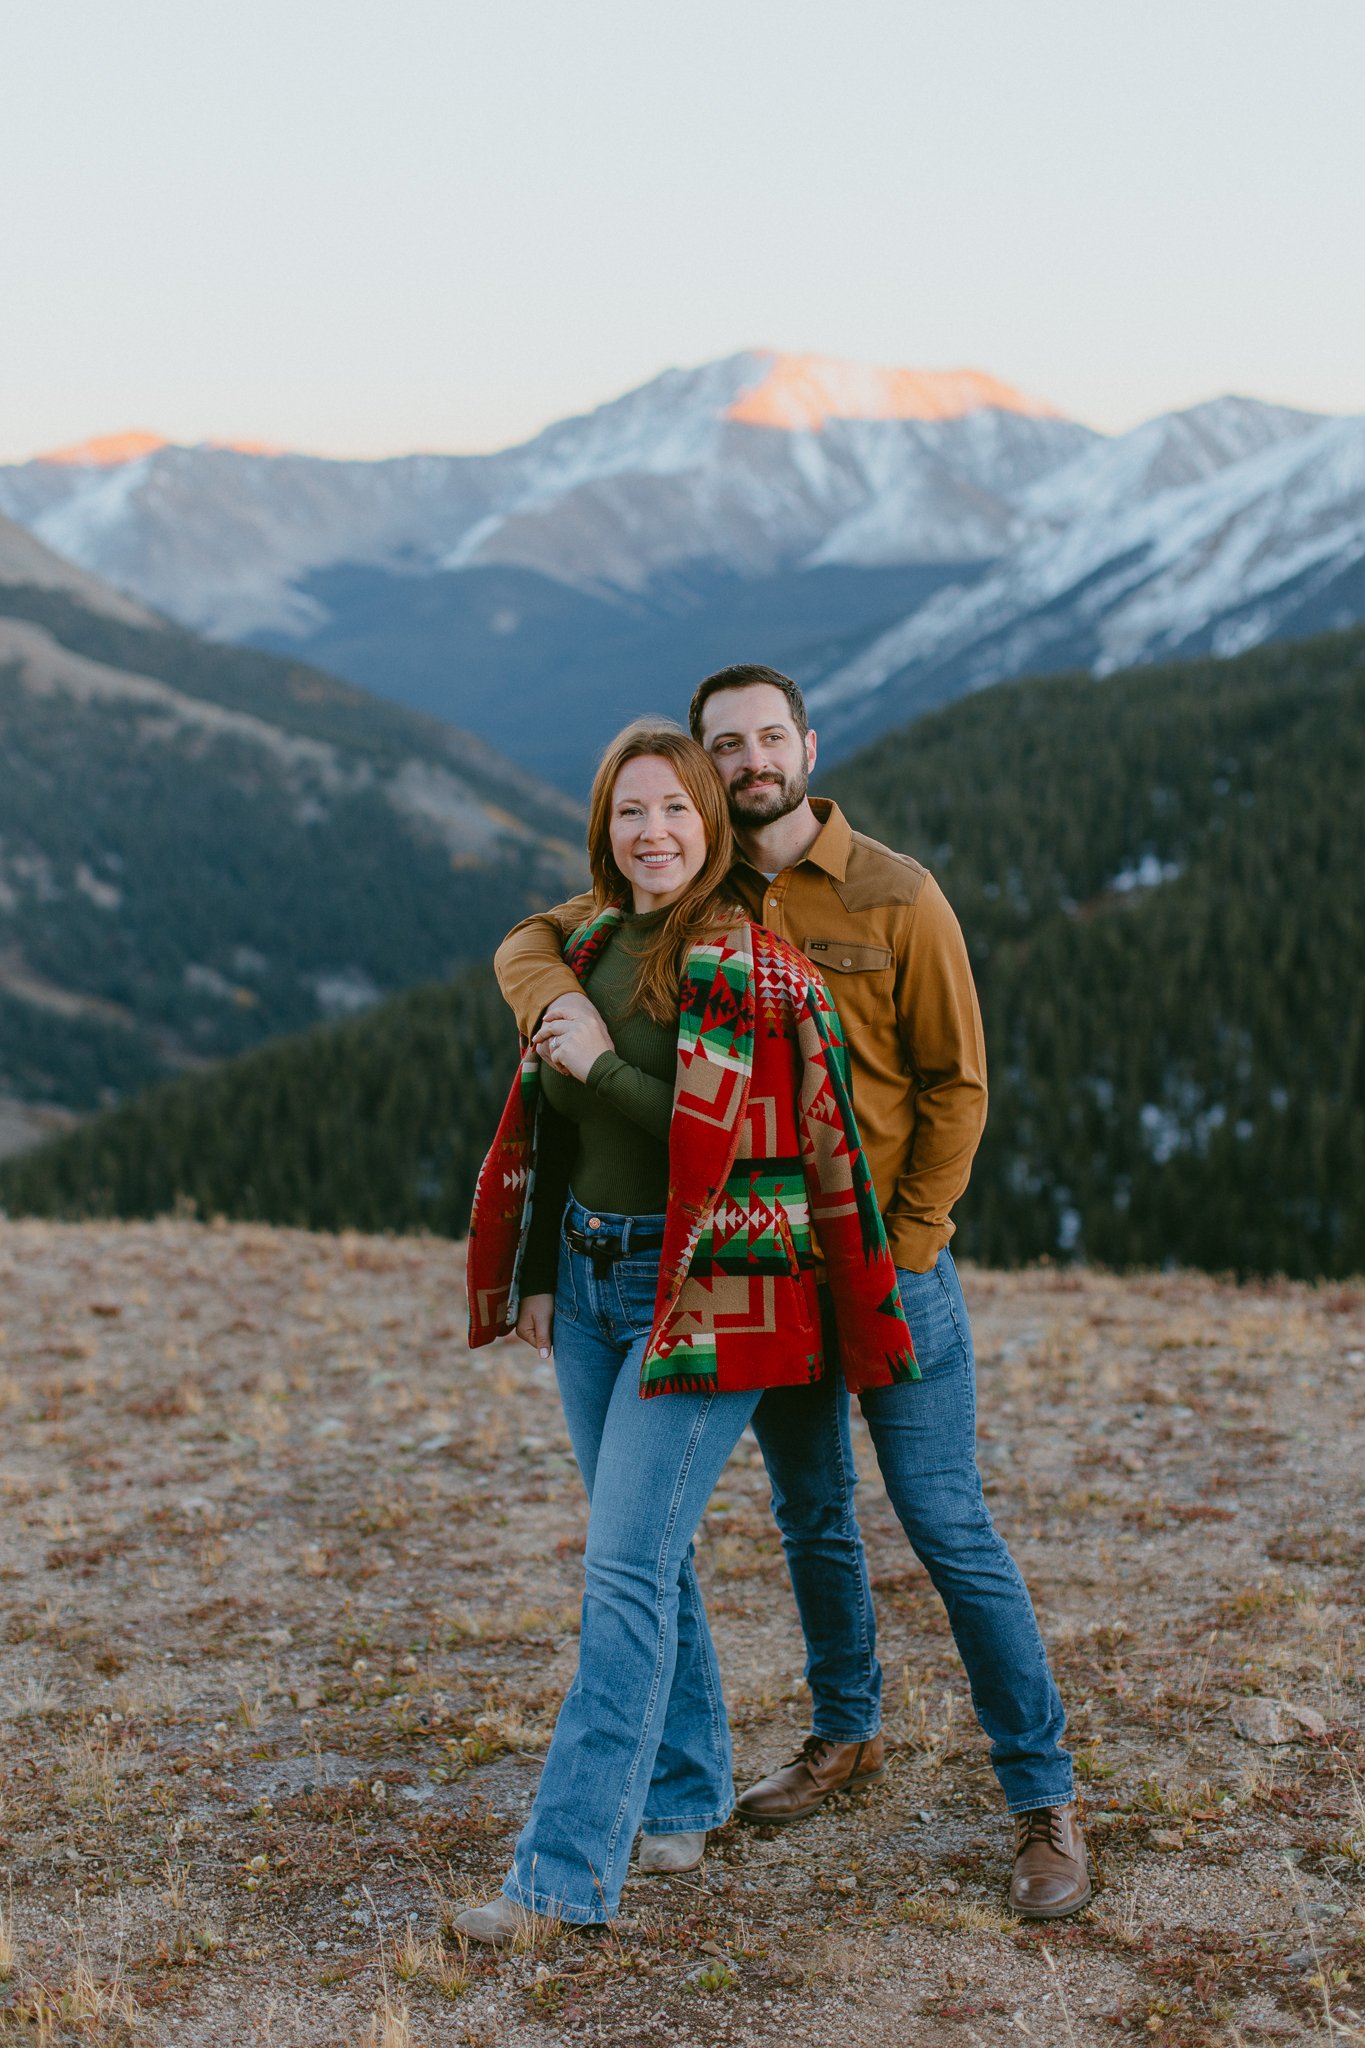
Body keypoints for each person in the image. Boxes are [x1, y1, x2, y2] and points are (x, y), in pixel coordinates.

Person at [493, 666, 1090, 1920]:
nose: (753, 759)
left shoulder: (896, 894)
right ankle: (844, 1732)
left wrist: (910, 1244)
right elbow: (546, 936)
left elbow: (956, 1084)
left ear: (806, 745)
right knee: (808, 1511)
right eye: (729, 745)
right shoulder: (695, 898)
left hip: (881, 1266)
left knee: (945, 1521)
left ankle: (1042, 1794)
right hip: (752, 1272)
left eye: (770, 737)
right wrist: (551, 1001)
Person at [456, 719, 916, 1943]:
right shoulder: (593, 938)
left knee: (618, 1574)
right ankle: (686, 1790)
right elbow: (558, 1115)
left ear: (711, 825)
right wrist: (549, 1260)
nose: (652, 832)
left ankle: (558, 1880)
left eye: (674, 810)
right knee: (644, 1551)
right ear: (604, 829)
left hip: (705, 1288)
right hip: (598, 1281)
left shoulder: (740, 964)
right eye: (629, 812)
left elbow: (719, 1147)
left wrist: (601, 1060)